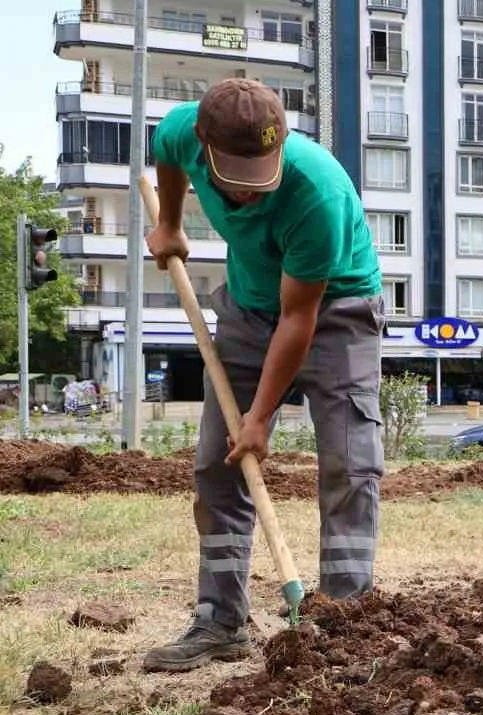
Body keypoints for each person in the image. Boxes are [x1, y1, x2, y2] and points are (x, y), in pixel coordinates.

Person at [141, 79, 384, 672]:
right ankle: (220, 621)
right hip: (249, 310)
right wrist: (170, 224)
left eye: (261, 176)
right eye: (237, 179)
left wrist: (259, 417)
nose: (251, 192)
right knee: (217, 465)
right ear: (206, 147)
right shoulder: (182, 130)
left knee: (350, 462)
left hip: (337, 310)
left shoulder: (317, 192)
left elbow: (299, 320)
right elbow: (165, 152)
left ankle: (343, 621)